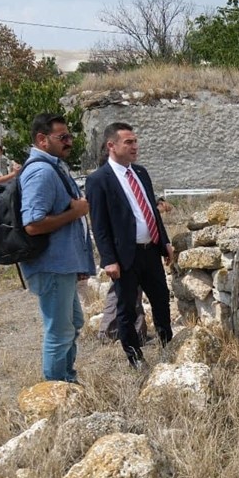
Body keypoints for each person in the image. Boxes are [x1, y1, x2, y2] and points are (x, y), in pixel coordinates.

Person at [86, 122, 174, 368]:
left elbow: (152, 212)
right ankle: (135, 358)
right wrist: (108, 259)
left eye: (135, 141)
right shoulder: (99, 180)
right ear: (111, 146)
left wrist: (164, 242)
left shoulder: (141, 173)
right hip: (125, 257)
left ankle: (168, 346)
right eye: (129, 142)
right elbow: (99, 224)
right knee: (127, 309)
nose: (135, 146)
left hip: (150, 250)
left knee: (161, 299)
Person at [19, 113, 94, 384]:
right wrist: (75, 213)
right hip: (52, 265)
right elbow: (33, 224)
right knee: (59, 332)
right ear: (42, 139)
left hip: (63, 264)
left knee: (72, 324)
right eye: (62, 137)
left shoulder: (53, 167)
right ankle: (56, 392)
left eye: (70, 136)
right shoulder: (41, 172)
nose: (69, 142)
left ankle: (68, 381)